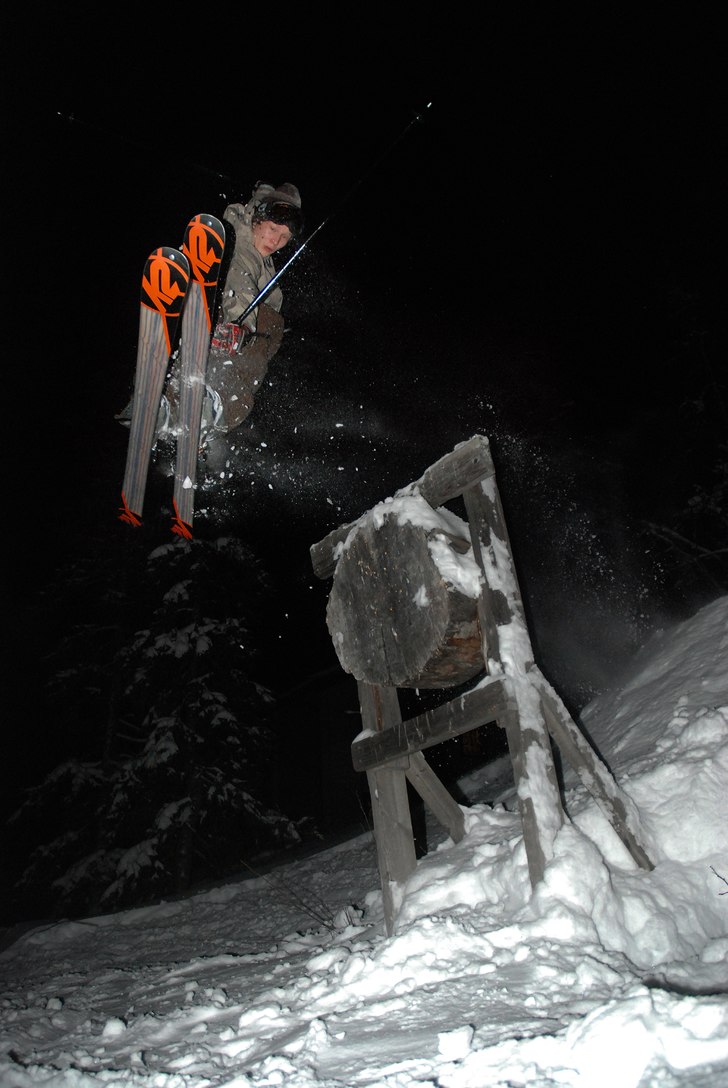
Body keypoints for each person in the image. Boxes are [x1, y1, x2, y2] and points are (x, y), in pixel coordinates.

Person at [163, 182, 304, 441]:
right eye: (273, 229)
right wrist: (242, 326)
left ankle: (177, 407)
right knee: (269, 325)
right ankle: (213, 404)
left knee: (268, 329)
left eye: (284, 237)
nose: (276, 240)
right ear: (258, 219)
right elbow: (240, 279)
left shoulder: (263, 259)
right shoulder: (243, 241)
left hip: (214, 335)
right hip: (226, 322)